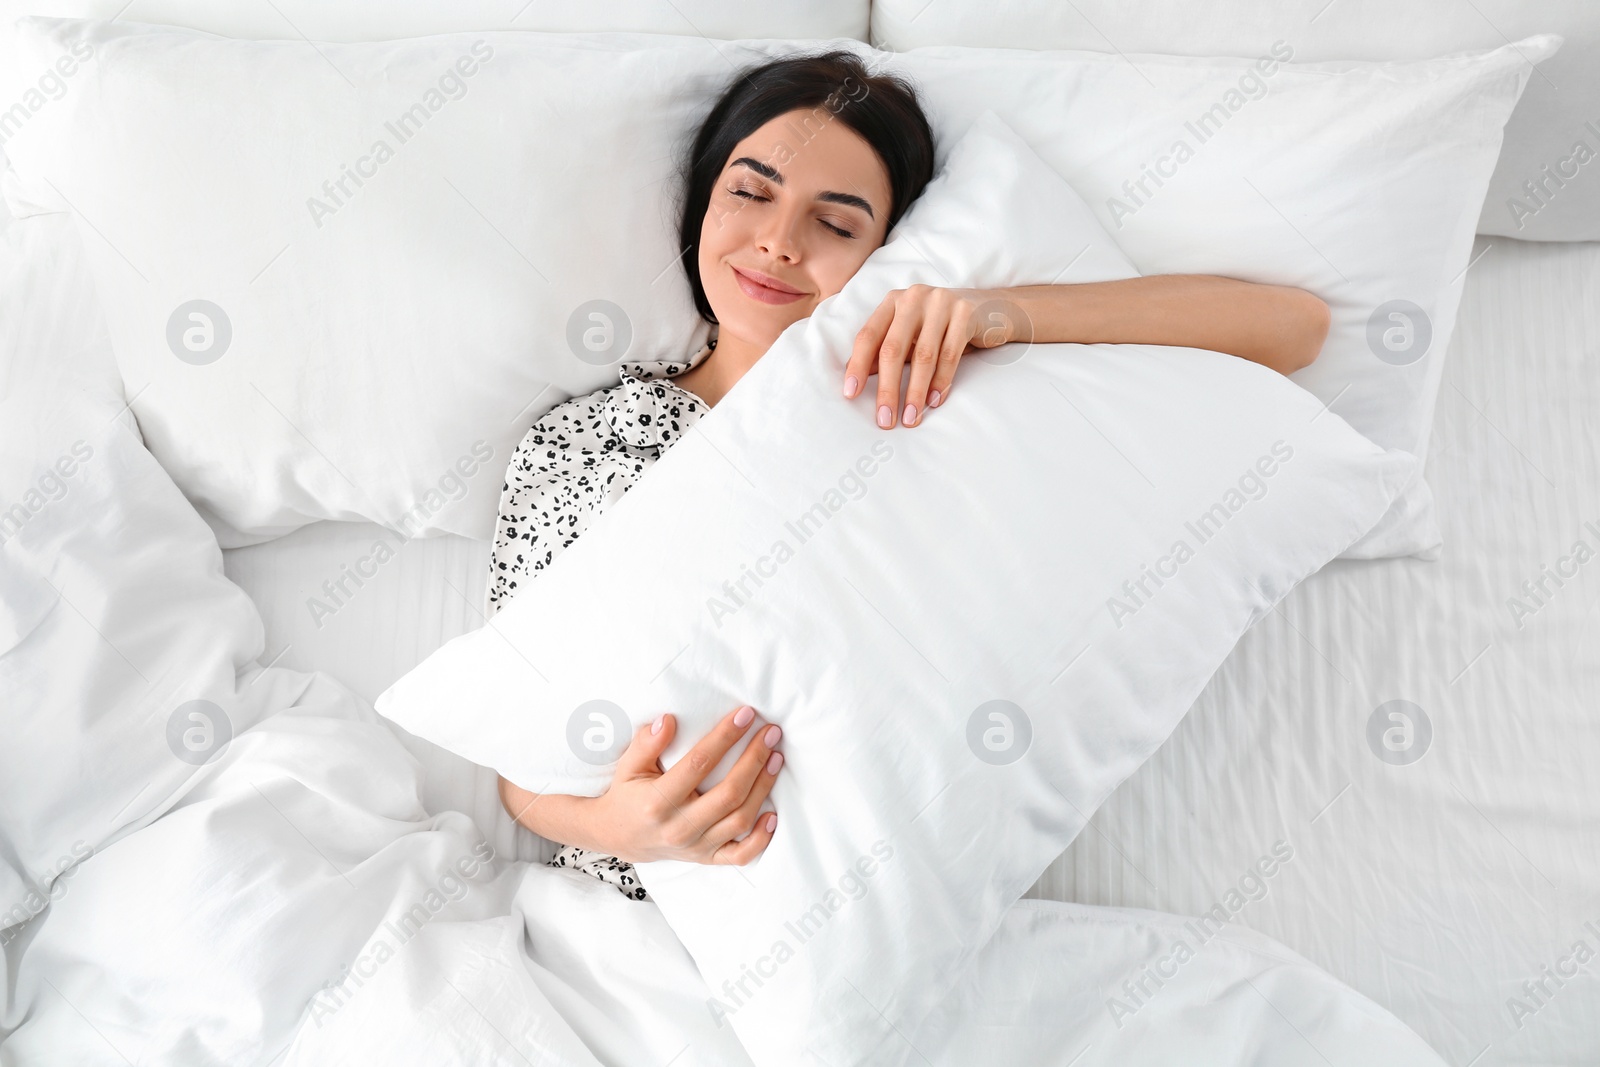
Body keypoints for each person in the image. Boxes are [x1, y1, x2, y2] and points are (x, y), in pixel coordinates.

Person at [492, 50, 1330, 900]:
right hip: (620, 917)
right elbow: (511, 756)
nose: (781, 241)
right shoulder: (584, 442)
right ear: (704, 201)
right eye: (751, 192)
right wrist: (618, 827)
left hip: (882, 904)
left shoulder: (922, 386)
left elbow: (1292, 329)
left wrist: (1000, 313)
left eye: (838, 222)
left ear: (885, 252)